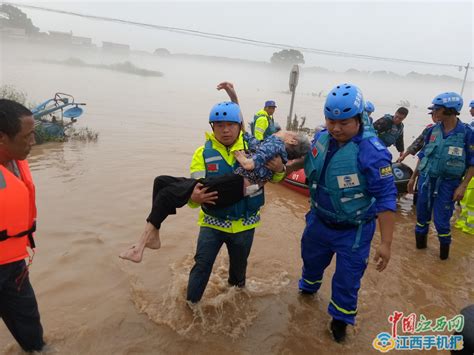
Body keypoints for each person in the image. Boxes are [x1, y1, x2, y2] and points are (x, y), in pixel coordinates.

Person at [287, 83, 396, 343]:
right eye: (331, 120)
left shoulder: (373, 153)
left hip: (354, 230)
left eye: (344, 123)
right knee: (310, 263)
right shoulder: (323, 137)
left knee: (347, 280)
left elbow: (386, 197)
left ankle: (339, 324)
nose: (336, 128)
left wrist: (386, 243)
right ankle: (307, 294)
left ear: (359, 119)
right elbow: (311, 160)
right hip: (319, 221)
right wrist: (289, 163)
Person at [119, 127, 309, 263]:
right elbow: (244, 130)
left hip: (236, 188)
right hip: (231, 188)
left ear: (291, 141)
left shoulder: (275, 144)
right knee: (160, 181)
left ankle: (140, 247)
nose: (283, 130)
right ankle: (153, 236)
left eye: (288, 132)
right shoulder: (270, 145)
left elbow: (250, 165)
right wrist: (232, 94)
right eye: (220, 125)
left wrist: (241, 156)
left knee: (167, 192)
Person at [0, 99, 45, 352]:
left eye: (34, 135)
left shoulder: (17, 161)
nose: (33, 143)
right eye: (27, 137)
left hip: (14, 263)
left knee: (29, 323)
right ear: (2, 137)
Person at [408, 92, 474, 260]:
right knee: (421, 218)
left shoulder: (467, 133)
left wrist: (463, 186)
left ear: (450, 111)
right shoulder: (431, 131)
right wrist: (413, 178)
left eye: (437, 109)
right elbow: (423, 156)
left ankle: (443, 261)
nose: (434, 113)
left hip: (449, 184)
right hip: (426, 180)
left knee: (442, 222)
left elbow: (472, 163)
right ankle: (418, 256)